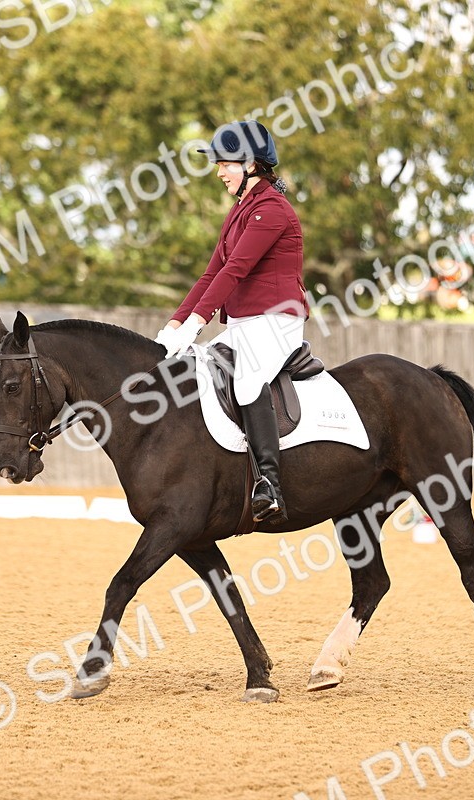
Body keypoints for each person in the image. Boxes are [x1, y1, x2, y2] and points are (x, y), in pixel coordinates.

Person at [154, 120, 309, 523]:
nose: (219, 171)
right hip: (242, 323)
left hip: (277, 320)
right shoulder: (240, 210)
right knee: (199, 372)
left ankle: (269, 484)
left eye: (225, 163)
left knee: (247, 378)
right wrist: (174, 326)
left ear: (252, 165)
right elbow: (210, 274)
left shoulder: (273, 210)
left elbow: (235, 270)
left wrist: (195, 326)